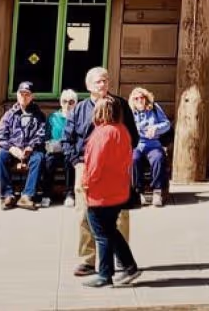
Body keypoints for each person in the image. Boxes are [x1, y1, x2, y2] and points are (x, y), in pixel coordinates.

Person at [64, 67, 139, 277]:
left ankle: (121, 260)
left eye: (106, 80)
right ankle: (88, 259)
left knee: (120, 216)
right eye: (99, 81)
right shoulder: (79, 109)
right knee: (85, 215)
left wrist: (120, 158)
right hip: (85, 166)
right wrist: (77, 162)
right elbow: (67, 139)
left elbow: (132, 136)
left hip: (115, 170)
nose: (103, 85)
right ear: (88, 86)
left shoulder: (120, 106)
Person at [79, 97, 143, 288]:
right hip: (118, 189)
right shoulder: (123, 131)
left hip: (100, 192)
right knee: (110, 230)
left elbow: (95, 166)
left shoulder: (102, 133)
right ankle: (130, 266)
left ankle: (105, 274)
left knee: (101, 233)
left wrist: (85, 183)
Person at [0, 82, 48, 210]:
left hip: (31, 150)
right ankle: (7, 195)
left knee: (39, 158)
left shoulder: (39, 115)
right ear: (17, 95)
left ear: (32, 96)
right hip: (13, 150)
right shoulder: (9, 115)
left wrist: (30, 147)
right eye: (21, 94)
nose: (24, 97)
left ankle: (27, 196)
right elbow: (0, 136)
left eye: (27, 94)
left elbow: (41, 134)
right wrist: (12, 149)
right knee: (0, 158)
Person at [128, 87, 171, 207]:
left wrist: (156, 128)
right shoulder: (130, 112)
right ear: (133, 100)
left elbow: (167, 124)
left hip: (153, 144)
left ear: (146, 98)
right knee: (133, 159)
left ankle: (157, 191)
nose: (139, 100)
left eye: (141, 97)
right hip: (137, 144)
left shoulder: (154, 108)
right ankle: (138, 191)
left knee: (158, 158)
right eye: (136, 98)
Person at [46, 89, 78, 207]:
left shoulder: (77, 117)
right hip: (55, 150)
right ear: (60, 102)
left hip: (70, 150)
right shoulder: (53, 117)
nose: (67, 105)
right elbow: (47, 135)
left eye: (71, 102)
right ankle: (47, 194)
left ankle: (69, 194)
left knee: (70, 160)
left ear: (75, 103)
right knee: (49, 161)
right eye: (64, 101)